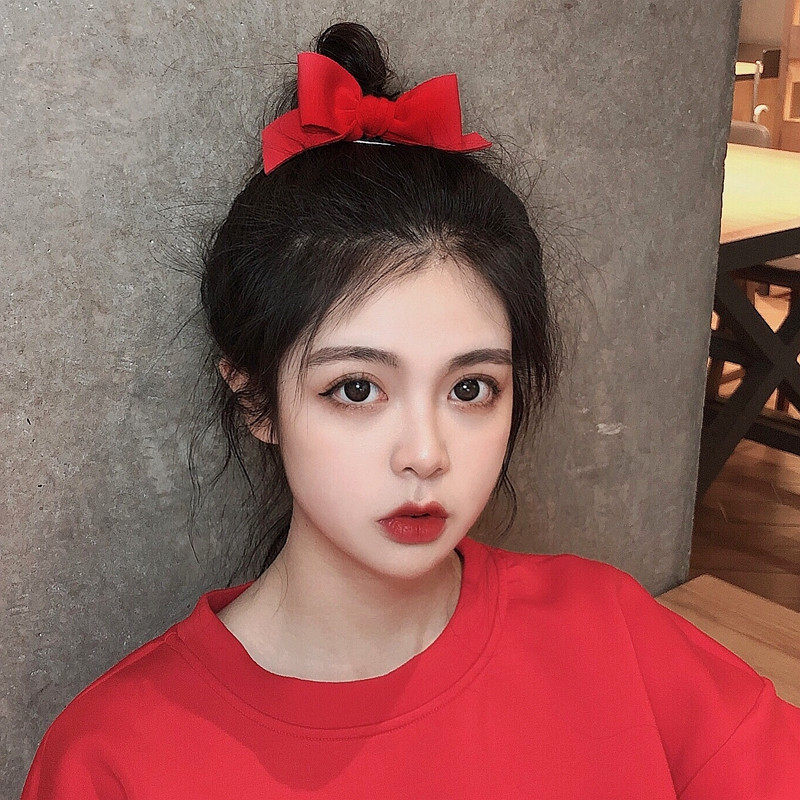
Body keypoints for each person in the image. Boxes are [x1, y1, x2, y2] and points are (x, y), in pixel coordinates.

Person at [20, 20, 800, 800]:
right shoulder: (116, 760)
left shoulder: (610, 632)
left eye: (471, 389)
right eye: (356, 388)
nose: (425, 454)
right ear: (255, 396)